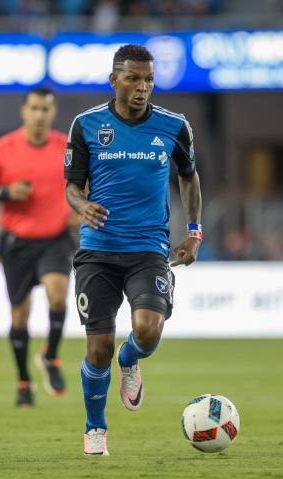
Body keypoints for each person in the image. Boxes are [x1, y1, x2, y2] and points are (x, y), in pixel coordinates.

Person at [64, 44, 202, 455]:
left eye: (149, 80)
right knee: (97, 349)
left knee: (147, 331)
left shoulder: (174, 126)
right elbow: (71, 186)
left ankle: (130, 358)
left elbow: (189, 176)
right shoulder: (86, 125)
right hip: (98, 250)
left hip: (148, 249)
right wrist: (81, 205)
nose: (143, 87)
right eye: (133, 79)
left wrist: (194, 232)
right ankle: (95, 428)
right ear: (114, 81)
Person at [0, 88, 76, 407]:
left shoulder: (67, 148)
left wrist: (80, 209)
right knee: (20, 316)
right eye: (34, 108)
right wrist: (5, 192)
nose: (39, 115)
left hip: (55, 237)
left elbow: (85, 183)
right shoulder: (2, 149)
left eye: (45, 109)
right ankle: (24, 382)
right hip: (17, 241)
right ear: (24, 111)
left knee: (58, 294)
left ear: (53, 113)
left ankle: (51, 356)